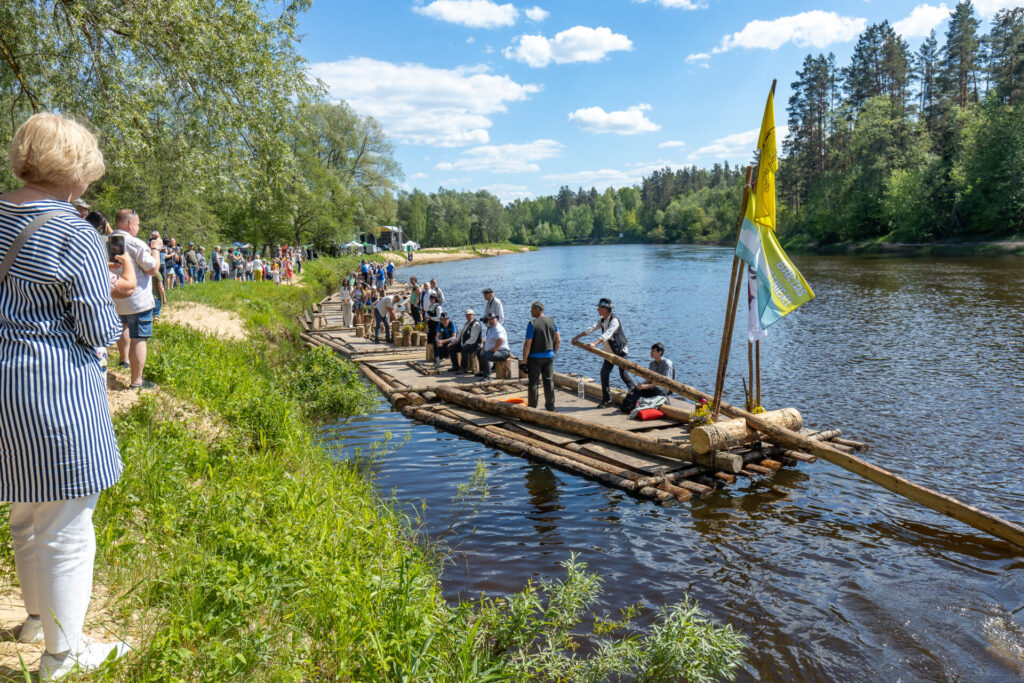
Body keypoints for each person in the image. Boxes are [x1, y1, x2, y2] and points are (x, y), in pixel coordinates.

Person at [0, 111, 130, 678]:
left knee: (26, 512)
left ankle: (35, 620)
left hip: (4, 384)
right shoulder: (73, 230)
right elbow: (100, 328)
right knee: (68, 525)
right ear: (73, 168)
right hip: (53, 389)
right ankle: (64, 654)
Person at [112, 208, 161, 390]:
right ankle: (137, 381)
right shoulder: (134, 243)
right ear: (130, 224)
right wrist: (155, 249)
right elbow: (153, 269)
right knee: (139, 337)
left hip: (116, 297)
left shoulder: (105, 241)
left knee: (122, 327)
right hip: (137, 299)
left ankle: (124, 360)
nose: (138, 228)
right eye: (138, 224)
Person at [572, 297, 635, 408]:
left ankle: (634, 392)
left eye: (600, 308)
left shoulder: (614, 321)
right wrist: (577, 337)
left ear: (606, 309)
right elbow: (591, 329)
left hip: (620, 352)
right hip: (609, 353)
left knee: (623, 375)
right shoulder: (602, 320)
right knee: (604, 374)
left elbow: (607, 335)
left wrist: (594, 344)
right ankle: (607, 400)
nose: (598, 310)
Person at [522, 301, 560, 411]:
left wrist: (524, 360)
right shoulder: (552, 321)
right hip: (549, 356)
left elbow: (527, 343)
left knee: (533, 382)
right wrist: (553, 353)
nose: (530, 311)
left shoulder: (532, 323)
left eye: (532, 309)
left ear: (537, 310)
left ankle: (532, 408)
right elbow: (558, 340)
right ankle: (550, 407)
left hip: (535, 358)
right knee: (549, 381)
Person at [477, 313, 510, 379]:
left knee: (484, 355)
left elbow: (500, 339)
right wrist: (483, 348)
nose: (490, 321)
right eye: (489, 320)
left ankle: (488, 376)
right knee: (479, 352)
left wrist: (495, 348)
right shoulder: (490, 328)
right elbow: (487, 340)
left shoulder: (498, 328)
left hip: (503, 352)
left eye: (492, 319)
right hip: (497, 350)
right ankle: (482, 371)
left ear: (497, 319)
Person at [455, 309, 482, 374]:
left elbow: (473, 338)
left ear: (473, 315)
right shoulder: (467, 323)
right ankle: (455, 366)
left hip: (474, 344)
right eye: (467, 315)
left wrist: (465, 344)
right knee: (452, 347)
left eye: (470, 315)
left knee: (464, 349)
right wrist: (455, 341)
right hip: (465, 343)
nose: (468, 316)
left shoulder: (475, 324)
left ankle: (464, 368)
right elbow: (461, 333)